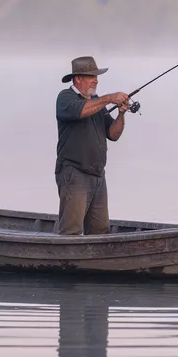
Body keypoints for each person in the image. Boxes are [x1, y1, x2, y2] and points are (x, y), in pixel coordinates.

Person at [54, 56, 130, 235]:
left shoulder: (96, 103)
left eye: (97, 76)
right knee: (71, 231)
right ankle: (65, 262)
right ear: (78, 78)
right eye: (92, 76)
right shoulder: (65, 98)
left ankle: (93, 263)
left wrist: (120, 114)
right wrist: (109, 98)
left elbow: (113, 134)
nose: (96, 80)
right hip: (74, 173)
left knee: (100, 231)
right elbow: (79, 110)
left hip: (97, 175)